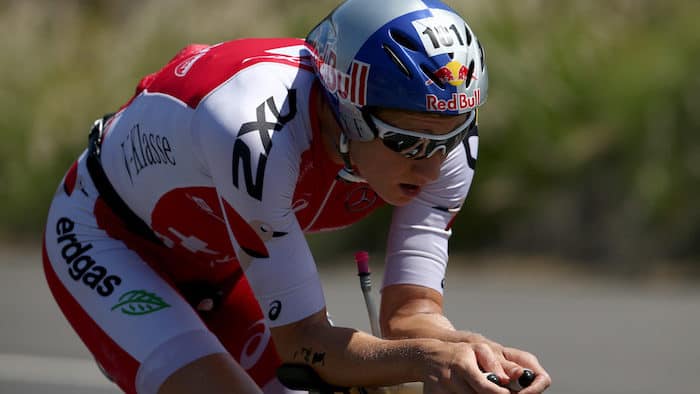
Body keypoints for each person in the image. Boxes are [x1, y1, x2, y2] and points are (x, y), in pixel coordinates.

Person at [42, 0, 551, 393]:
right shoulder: (256, 132)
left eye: (450, 137)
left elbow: (409, 315)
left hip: (225, 259)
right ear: (346, 111)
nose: (433, 163)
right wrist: (423, 360)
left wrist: (476, 354)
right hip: (107, 239)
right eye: (408, 141)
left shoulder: (445, 140)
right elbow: (304, 342)